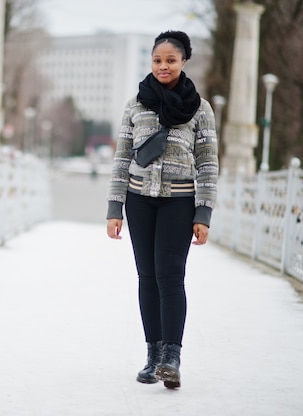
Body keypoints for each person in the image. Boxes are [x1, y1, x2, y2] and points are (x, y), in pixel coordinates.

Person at [106, 30, 218, 389]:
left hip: (179, 201)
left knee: (171, 276)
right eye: (157, 60)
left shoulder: (200, 109)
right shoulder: (136, 105)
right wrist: (114, 207)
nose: (163, 66)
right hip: (139, 200)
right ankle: (153, 356)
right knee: (147, 277)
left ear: (184, 62)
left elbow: (207, 163)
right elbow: (122, 158)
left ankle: (172, 356)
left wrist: (203, 214)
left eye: (171, 60)